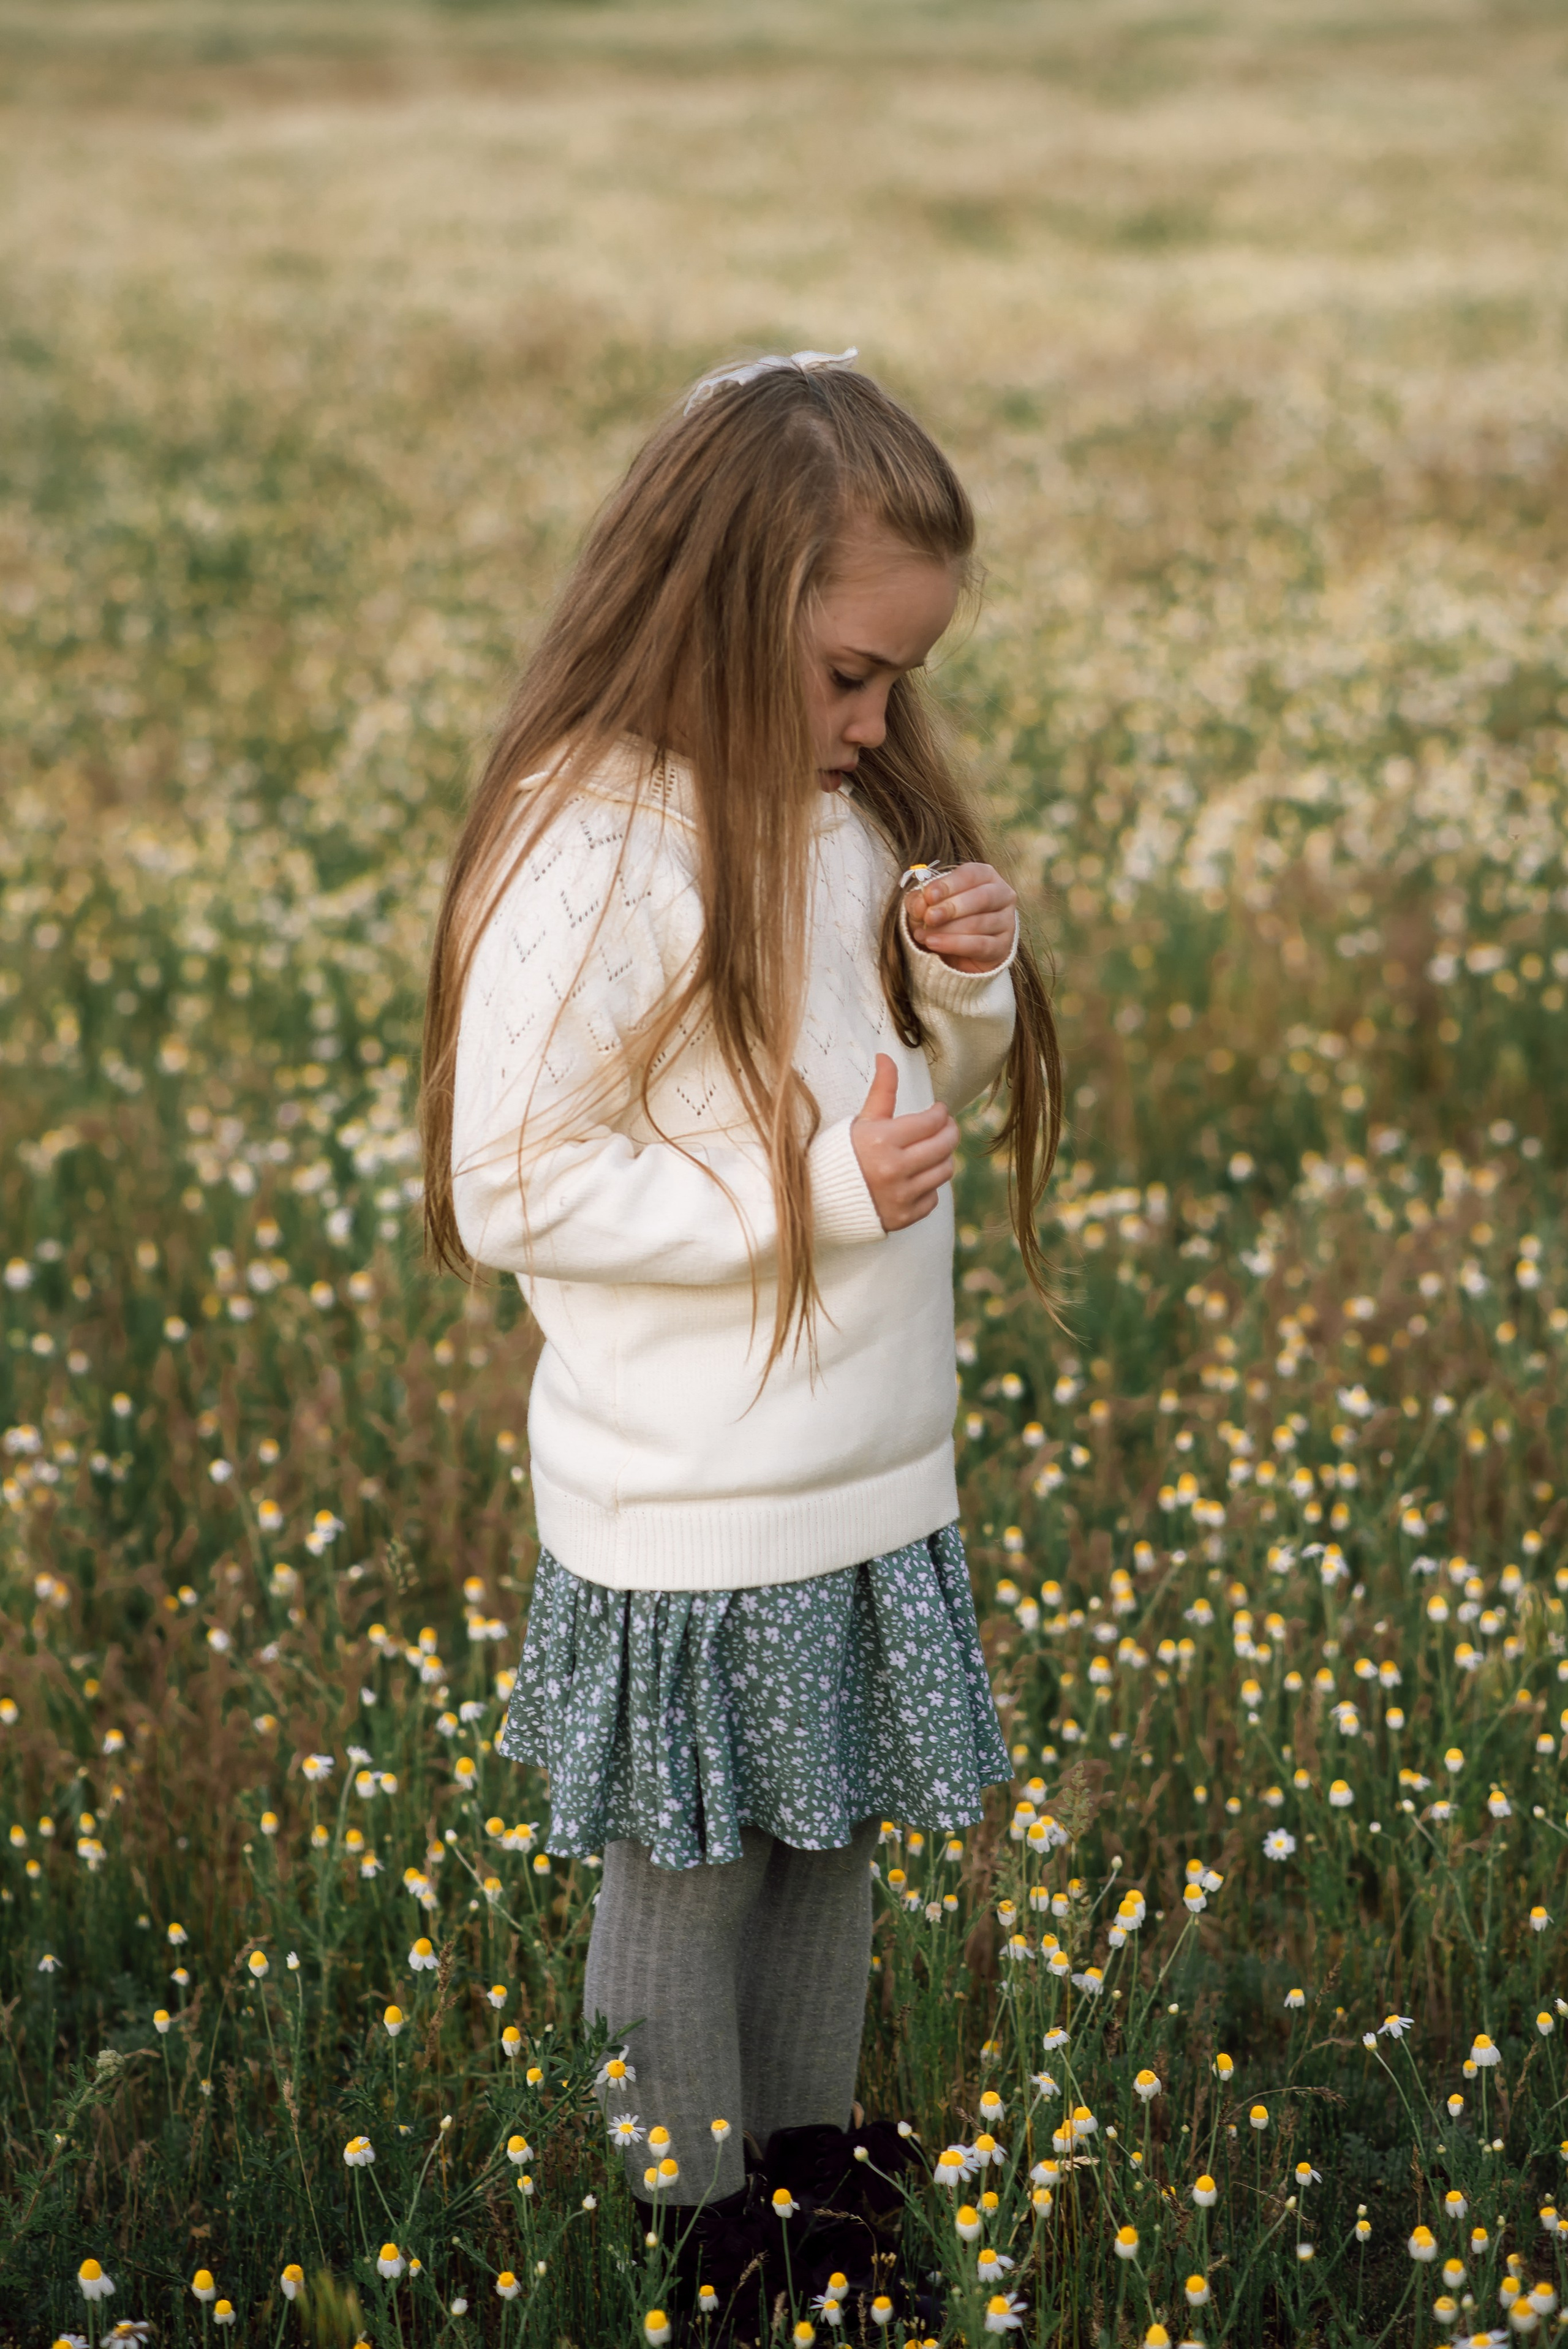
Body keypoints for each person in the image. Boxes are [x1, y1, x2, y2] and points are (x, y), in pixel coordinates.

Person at [418, 349, 1061, 2258]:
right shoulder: (593, 838)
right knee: (692, 1870)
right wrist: (810, 1193)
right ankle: (685, 2218)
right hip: (695, 1491)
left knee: (832, 1834)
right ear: (722, 601)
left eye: (898, 679)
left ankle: (807, 2164)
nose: (876, 718)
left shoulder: (842, 814)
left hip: (866, 1466)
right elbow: (510, 1178)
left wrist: (963, 988)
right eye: (850, 671)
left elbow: (909, 1095)